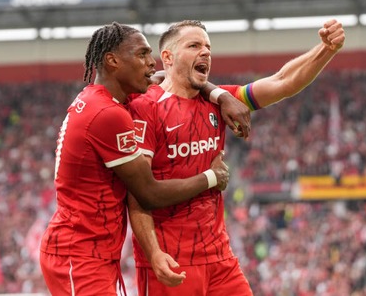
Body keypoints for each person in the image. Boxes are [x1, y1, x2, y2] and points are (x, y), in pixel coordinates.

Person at [127, 18, 345, 295]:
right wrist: (153, 254)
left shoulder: (220, 102)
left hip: (220, 259)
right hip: (171, 260)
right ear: (167, 57)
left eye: (207, 47)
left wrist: (326, 49)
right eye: (194, 45)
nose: (205, 52)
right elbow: (137, 193)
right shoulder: (144, 107)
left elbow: (283, 81)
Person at [39, 22, 249, 296]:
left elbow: (166, 76)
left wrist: (219, 94)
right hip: (79, 253)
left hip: (96, 252)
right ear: (113, 61)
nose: (151, 64)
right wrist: (212, 177)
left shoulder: (100, 98)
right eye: (141, 55)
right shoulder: (108, 114)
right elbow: (148, 194)